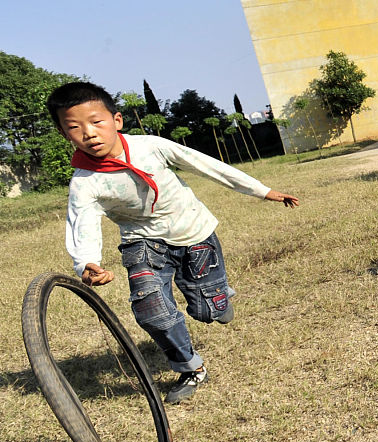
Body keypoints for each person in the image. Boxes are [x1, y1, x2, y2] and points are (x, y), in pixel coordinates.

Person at [47, 81, 299, 404]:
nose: (89, 133)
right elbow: (82, 224)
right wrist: (87, 264)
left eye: (96, 122)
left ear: (117, 121)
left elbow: (205, 165)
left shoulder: (150, 147)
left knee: (211, 312)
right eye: (74, 127)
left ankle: (217, 294)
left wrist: (263, 191)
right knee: (149, 309)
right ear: (65, 135)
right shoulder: (84, 182)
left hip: (193, 233)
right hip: (143, 242)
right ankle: (191, 368)